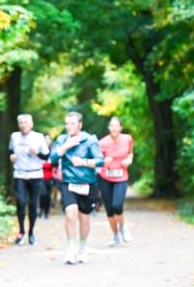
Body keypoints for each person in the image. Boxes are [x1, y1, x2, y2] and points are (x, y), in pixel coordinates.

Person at [49, 111, 104, 265]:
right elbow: (52, 159)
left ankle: (82, 248)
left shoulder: (90, 140)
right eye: (67, 123)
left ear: (80, 125)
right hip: (68, 182)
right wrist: (66, 146)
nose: (69, 126)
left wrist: (84, 162)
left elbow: (101, 161)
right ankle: (71, 247)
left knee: (84, 218)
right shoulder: (62, 139)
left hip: (87, 183)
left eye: (72, 123)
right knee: (70, 212)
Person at [8, 114, 49, 244]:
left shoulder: (39, 137)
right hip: (20, 174)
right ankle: (21, 231)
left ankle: (31, 232)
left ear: (31, 124)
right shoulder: (14, 137)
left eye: (25, 122)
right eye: (20, 123)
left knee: (32, 204)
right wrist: (12, 157)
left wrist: (37, 152)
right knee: (20, 202)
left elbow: (46, 156)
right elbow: (10, 151)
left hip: (35, 174)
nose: (23, 125)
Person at [98, 116, 134, 245]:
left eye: (116, 125)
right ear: (109, 128)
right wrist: (103, 161)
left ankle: (123, 227)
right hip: (105, 177)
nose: (114, 128)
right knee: (109, 209)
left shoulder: (127, 139)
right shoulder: (102, 142)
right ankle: (115, 235)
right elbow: (97, 160)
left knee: (117, 205)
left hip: (121, 177)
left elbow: (130, 153)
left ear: (120, 127)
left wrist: (129, 160)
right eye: (111, 126)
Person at [40, 134, 54, 218]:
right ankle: (41, 209)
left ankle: (46, 212)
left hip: (50, 176)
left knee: (48, 195)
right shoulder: (40, 151)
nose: (47, 141)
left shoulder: (53, 151)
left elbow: (55, 163)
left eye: (48, 139)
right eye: (45, 139)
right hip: (41, 176)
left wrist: (49, 163)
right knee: (43, 194)